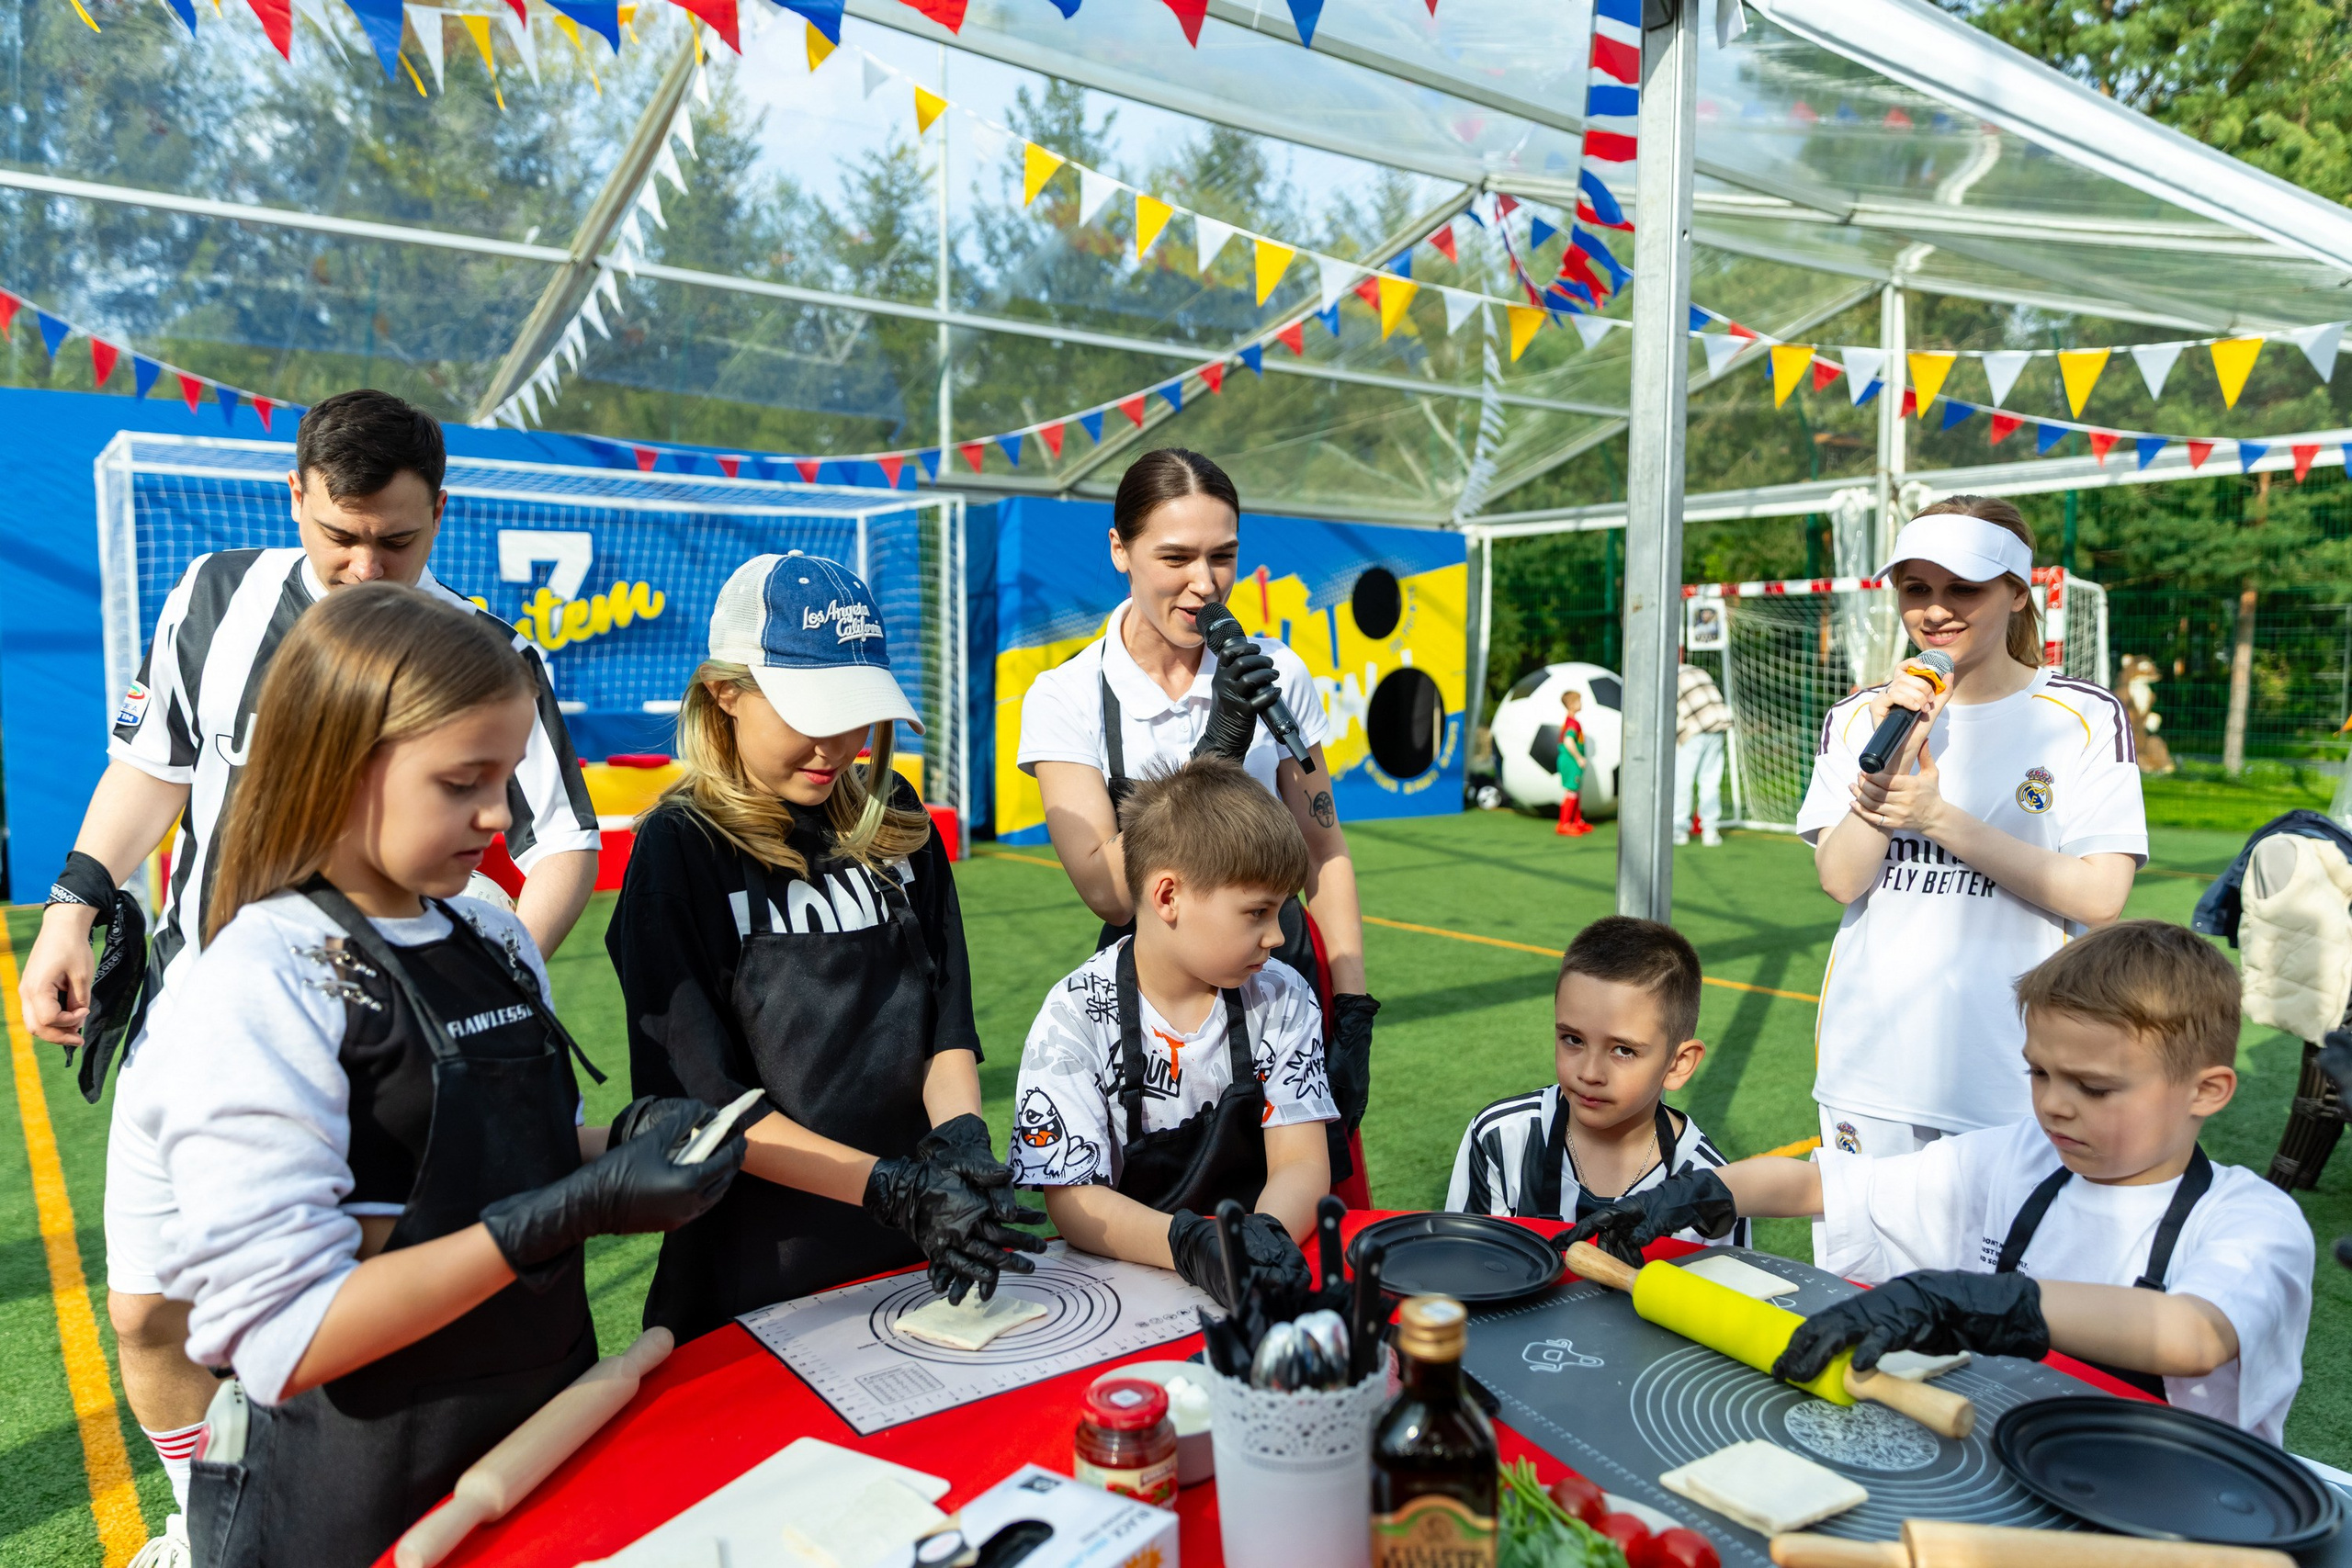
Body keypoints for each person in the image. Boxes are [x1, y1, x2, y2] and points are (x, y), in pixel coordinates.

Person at [17, 389, 601, 1553]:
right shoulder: (213, 601)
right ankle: (206, 1519)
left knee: (366, 1308)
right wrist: (73, 907)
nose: (365, 564)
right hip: (203, 1009)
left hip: (378, 1045)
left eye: (397, 539)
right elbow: (153, 767)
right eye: (341, 536)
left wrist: (470, 998)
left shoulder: (479, 652)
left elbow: (562, 843)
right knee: (145, 1315)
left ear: (441, 512)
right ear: (296, 499)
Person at [141, 583, 742, 1568]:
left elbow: (483, 1158)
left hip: (539, 1445)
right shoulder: (258, 979)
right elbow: (286, 1338)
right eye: (464, 782)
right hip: (364, 1488)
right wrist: (566, 1210)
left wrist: (619, 1144)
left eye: (506, 779)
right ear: (337, 765)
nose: (499, 816)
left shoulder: (491, 931)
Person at [1563, 921, 2312, 1443]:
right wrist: (1705, 1191)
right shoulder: (2020, 1158)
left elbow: (2193, 1335)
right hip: (2006, 1447)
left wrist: (1971, 1300)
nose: (2054, 1102)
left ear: (2207, 1090)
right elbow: (1825, 1187)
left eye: (2094, 1086)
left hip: (2173, 1500)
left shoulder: (2253, 1221)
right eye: (2040, 1072)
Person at [606, 553, 1045, 1342]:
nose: (837, 744)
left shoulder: (897, 819)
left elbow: (946, 1030)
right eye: (810, 712)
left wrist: (960, 1142)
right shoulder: (680, 851)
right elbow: (711, 1110)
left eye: (855, 711)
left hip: (911, 1259)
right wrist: (893, 1188)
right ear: (724, 692)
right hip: (753, 1280)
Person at [1016, 448, 1379, 1197]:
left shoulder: (1277, 670)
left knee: (1313, 1219)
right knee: (1159, 1226)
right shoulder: (1068, 695)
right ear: (1119, 549)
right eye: (1175, 556)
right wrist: (1218, 747)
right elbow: (1108, 893)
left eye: (1224, 557)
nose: (1205, 583)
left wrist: (1350, 1007)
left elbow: (1323, 849)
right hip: (1150, 1007)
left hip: (1280, 984)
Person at [1800, 497, 2143, 1164]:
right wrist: (1892, 755)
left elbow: (2102, 897)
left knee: (2007, 1270)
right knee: (1866, 1274)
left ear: (2017, 592)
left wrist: (1935, 818)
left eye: (1964, 587)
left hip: (2016, 1074)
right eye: (1917, 588)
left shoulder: (2081, 716)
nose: (1935, 609)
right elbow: (1842, 878)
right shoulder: (1862, 717)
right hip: (1870, 1068)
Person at [1008, 758, 1333, 1309]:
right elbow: (1075, 1204)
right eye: (1257, 912)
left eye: (1280, 912)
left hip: (1255, 1278)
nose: (1278, 937)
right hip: (1122, 1281)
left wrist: (1256, 1243)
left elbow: (1302, 1162)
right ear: (1167, 897)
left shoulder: (1282, 996)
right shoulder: (1075, 1015)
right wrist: (1190, 1246)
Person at [1446, 917, 1745, 1245]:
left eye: (1623, 1050)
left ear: (1678, 1064)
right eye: (1573, 1039)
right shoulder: (1502, 1138)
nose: (1589, 1073)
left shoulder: (1710, 1187)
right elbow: (1462, 1268)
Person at [1675, 655, 1732, 848]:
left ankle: (1679, 830)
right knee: (1710, 781)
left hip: (1694, 729)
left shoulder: (1665, 676)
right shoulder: (1695, 670)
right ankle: (1710, 831)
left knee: (1683, 780)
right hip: (1717, 726)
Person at [1555, 691, 1592, 837]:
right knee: (1571, 791)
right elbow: (1568, 741)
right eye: (1578, 701)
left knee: (1576, 791)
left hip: (1570, 761)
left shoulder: (1569, 721)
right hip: (1570, 761)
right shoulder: (1572, 724)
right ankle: (1564, 824)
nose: (1581, 704)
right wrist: (1579, 758)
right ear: (1571, 705)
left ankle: (1577, 821)